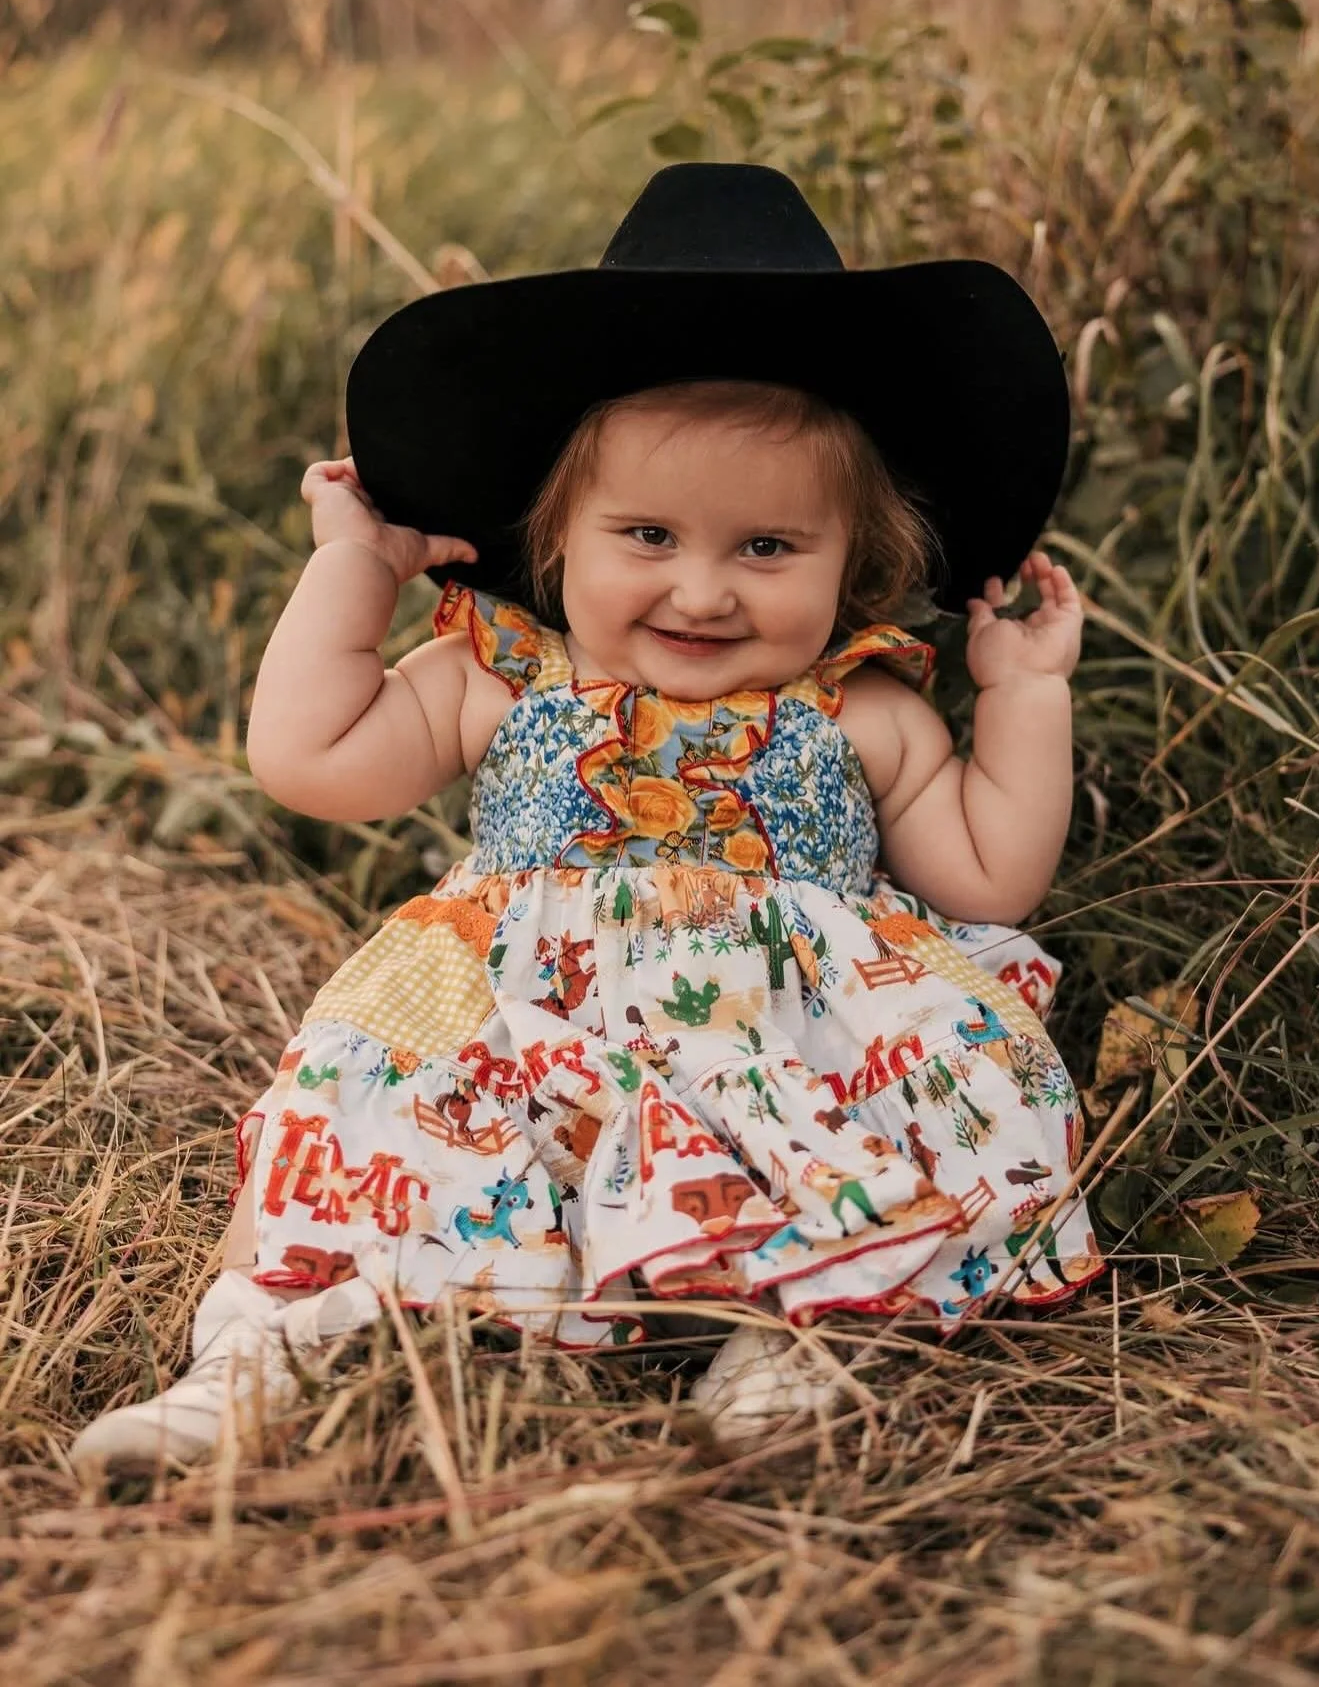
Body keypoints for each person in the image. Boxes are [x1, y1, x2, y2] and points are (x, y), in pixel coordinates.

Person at [70, 163, 1103, 1474]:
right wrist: (353, 567)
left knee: (866, 1157)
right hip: (515, 1039)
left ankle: (789, 1347)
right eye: (650, 536)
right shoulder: (499, 677)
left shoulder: (866, 711)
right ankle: (254, 1356)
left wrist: (1025, 695)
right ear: (560, 541)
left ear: (860, 559)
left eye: (769, 549)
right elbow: (308, 756)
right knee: (355, 1133)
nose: (705, 590)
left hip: (780, 1051)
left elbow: (992, 877)